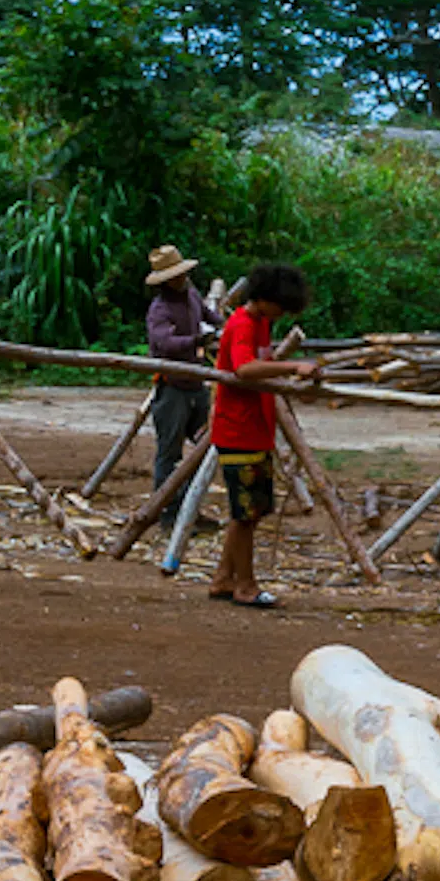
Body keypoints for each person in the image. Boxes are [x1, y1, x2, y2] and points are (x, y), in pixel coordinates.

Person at [205, 261, 304, 608]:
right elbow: (244, 368)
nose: (282, 314)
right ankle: (245, 585)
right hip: (238, 430)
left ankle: (223, 579)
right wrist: (292, 366)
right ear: (264, 298)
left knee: (249, 511)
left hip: (255, 430)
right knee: (246, 513)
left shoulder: (262, 323)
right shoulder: (243, 324)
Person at [141, 245, 210, 505]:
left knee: (204, 446)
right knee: (169, 453)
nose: (182, 279)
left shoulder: (192, 295)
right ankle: (166, 510)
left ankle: (189, 507)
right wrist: (196, 340)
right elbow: (165, 343)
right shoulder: (159, 310)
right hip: (172, 388)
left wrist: (225, 326)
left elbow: (209, 315)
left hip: (195, 384)